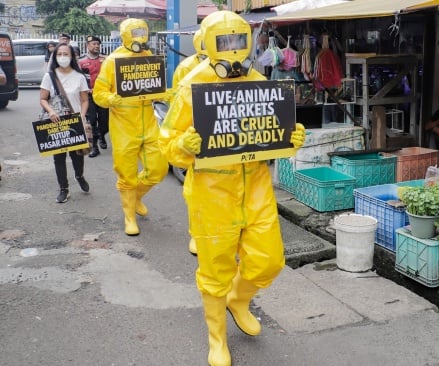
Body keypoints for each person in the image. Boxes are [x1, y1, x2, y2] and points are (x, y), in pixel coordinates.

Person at [158, 11, 305, 366]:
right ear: (208, 44)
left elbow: (270, 129)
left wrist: (291, 137)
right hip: (212, 191)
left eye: (238, 41)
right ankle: (217, 337)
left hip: (255, 186)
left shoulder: (259, 81)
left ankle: (238, 299)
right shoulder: (193, 86)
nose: (233, 50)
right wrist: (185, 147)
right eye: (224, 42)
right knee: (215, 269)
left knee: (268, 261)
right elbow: (167, 140)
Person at [94, 18, 168, 236]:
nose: (139, 37)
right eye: (135, 33)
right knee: (126, 173)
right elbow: (98, 94)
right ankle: (129, 216)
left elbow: (154, 88)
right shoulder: (112, 61)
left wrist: (165, 92)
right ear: (125, 35)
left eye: (142, 32)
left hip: (149, 123)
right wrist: (111, 99)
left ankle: (136, 196)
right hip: (123, 127)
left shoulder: (148, 58)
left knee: (159, 168)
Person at [169, 28, 207, 255]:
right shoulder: (186, 68)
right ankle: (196, 232)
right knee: (198, 193)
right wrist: (184, 139)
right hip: (197, 136)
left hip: (228, 141)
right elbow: (177, 104)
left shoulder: (244, 71)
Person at [39, 43, 91, 203]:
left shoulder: (80, 76)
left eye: (65, 54)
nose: (62, 57)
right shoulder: (50, 76)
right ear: (55, 57)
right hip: (57, 122)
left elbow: (84, 100)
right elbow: (42, 99)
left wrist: (82, 115)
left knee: (78, 155)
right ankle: (64, 189)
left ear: (72, 57)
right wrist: (51, 111)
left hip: (75, 121)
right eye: (59, 54)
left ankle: (79, 176)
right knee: (59, 157)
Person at [79, 35, 109, 157]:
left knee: (104, 121)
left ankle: (102, 135)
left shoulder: (106, 60)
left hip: (103, 95)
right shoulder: (81, 61)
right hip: (89, 95)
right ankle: (94, 146)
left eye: (98, 44)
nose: (96, 46)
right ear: (88, 46)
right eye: (93, 44)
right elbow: (78, 79)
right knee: (91, 121)